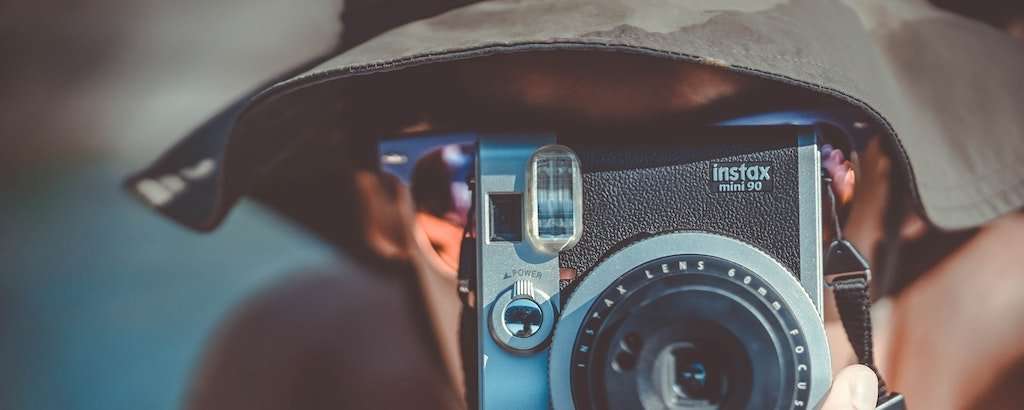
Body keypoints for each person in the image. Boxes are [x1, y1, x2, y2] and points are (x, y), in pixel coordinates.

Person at [126, 0, 1024, 409]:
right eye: (497, 198)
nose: (630, 286)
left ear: (905, 191)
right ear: (382, 211)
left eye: (755, 180)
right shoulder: (305, 375)